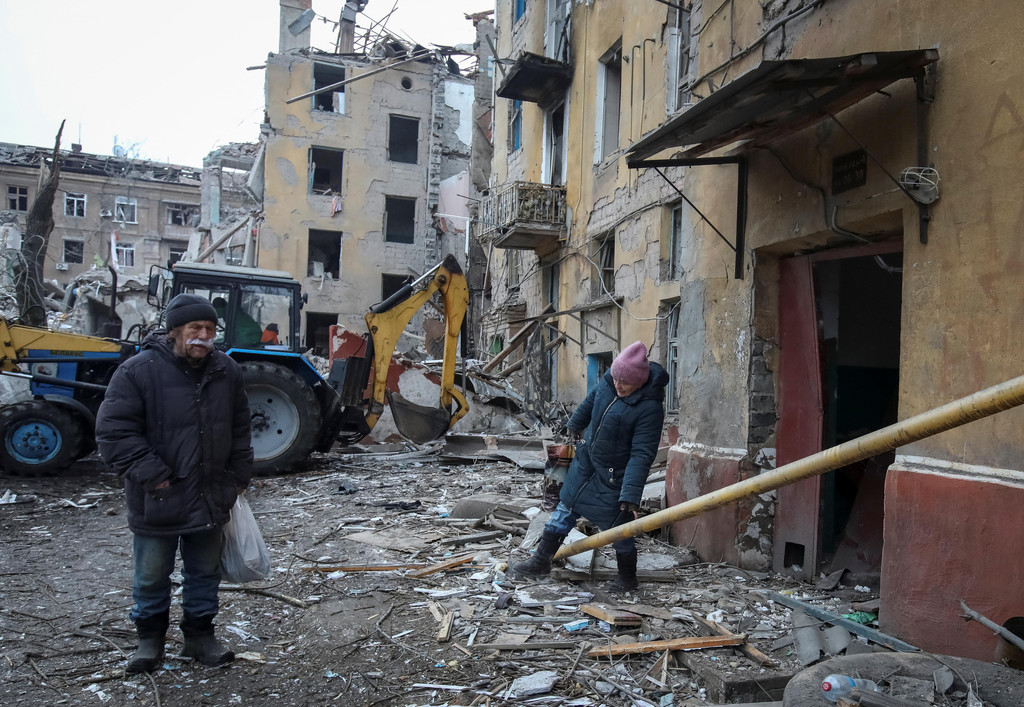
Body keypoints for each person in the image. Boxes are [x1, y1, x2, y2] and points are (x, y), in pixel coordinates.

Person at [96, 293, 254, 673]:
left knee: (204, 572)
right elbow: (114, 433)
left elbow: (240, 427)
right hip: (158, 498)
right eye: (195, 328)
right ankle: (149, 642)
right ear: (174, 332)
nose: (204, 335)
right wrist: (157, 478)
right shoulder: (138, 371)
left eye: (210, 329)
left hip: (211, 494)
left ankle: (200, 637)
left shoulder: (227, 371)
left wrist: (238, 477)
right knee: (151, 576)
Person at [511, 341, 667, 592]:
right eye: (616, 378)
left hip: (614, 478)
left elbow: (642, 453)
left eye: (625, 382)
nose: (618, 385)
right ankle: (540, 562)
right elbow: (591, 401)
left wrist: (630, 493)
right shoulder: (608, 383)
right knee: (565, 508)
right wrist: (574, 424)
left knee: (620, 529)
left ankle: (627, 578)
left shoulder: (650, 408)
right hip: (586, 465)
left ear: (639, 382)